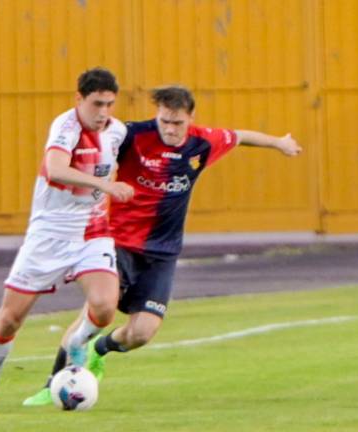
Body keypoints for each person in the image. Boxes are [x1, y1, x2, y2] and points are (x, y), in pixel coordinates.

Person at [22, 85, 302, 405]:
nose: (169, 129)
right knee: (98, 312)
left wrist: (279, 143)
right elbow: (91, 141)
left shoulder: (202, 143)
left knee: (141, 333)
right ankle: (53, 383)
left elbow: (240, 136)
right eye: (164, 121)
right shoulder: (132, 135)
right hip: (120, 244)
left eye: (177, 123)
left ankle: (99, 352)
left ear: (190, 118)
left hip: (163, 254)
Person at [0, 67, 135, 410]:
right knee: (10, 318)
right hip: (48, 234)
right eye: (96, 104)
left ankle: (76, 342)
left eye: (109, 104)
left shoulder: (116, 131)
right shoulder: (66, 127)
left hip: (92, 229)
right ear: (79, 99)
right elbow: (56, 168)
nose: (103, 113)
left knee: (105, 307)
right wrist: (107, 186)